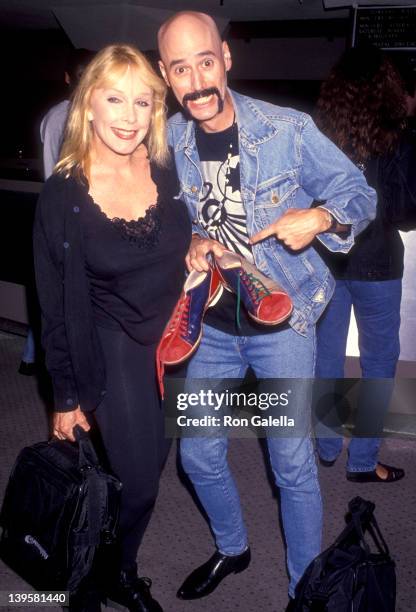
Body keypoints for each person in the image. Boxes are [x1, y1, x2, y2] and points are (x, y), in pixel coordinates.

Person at [156, 11, 377, 608]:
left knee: (291, 464)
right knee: (197, 453)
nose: (197, 80)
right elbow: (174, 220)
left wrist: (323, 217)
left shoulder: (287, 130)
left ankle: (303, 590)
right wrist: (191, 245)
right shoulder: (171, 137)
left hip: (283, 321)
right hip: (213, 323)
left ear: (226, 58)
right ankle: (234, 547)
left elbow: (361, 193)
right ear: (166, 75)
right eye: (181, 68)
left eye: (206, 61)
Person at [33, 44, 191, 612]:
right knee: (140, 481)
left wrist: (196, 251)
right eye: (115, 98)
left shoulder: (168, 170)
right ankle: (96, 579)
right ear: (88, 106)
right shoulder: (64, 194)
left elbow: (182, 243)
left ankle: (119, 570)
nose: (129, 115)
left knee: (152, 467)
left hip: (174, 345)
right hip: (112, 342)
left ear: (155, 109)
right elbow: (52, 303)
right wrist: (65, 395)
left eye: (142, 101)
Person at [314, 47, 415, 482]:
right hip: (378, 264)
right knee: (378, 365)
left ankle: (326, 446)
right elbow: (406, 212)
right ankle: (362, 462)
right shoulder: (398, 133)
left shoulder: (320, 132)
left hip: (328, 262)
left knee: (326, 358)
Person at [19, 48, 94, 377]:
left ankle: (30, 357)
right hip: (72, 215)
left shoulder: (51, 116)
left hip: (50, 212)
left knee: (52, 292)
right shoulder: (85, 118)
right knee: (71, 297)